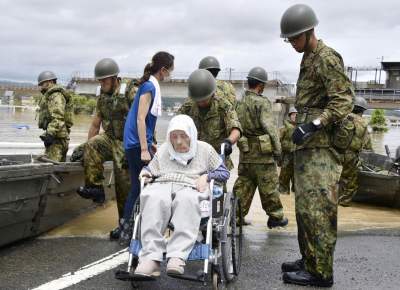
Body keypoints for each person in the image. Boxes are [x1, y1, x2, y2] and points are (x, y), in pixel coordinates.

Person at [279, 4, 354, 287]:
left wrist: (315, 124)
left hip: (321, 149)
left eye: (295, 38)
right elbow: (312, 98)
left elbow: (343, 101)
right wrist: (299, 115)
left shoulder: (326, 58)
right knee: (304, 209)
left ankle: (321, 273)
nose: (292, 44)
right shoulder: (307, 57)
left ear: (309, 31)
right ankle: (309, 259)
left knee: (319, 211)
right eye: (290, 40)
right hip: (307, 149)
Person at [134, 114, 230, 278]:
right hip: (163, 184)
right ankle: (151, 258)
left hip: (190, 186)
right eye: (174, 136)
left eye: (183, 136)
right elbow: (151, 169)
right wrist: (145, 173)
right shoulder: (164, 149)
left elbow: (224, 172)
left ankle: (177, 256)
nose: (178, 141)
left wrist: (207, 177)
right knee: (151, 197)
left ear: (192, 134)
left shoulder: (205, 149)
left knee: (187, 200)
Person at [121, 51, 175, 244]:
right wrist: (144, 148)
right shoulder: (149, 87)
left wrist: (150, 141)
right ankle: (128, 230)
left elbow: (146, 121)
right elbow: (140, 118)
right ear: (163, 70)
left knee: (142, 185)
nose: (170, 75)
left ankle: (130, 229)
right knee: (143, 185)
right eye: (170, 71)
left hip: (138, 141)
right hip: (136, 143)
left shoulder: (150, 85)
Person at [76, 58, 133, 240]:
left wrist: (145, 145)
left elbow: (143, 118)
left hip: (127, 140)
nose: (102, 84)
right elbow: (95, 125)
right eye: (99, 81)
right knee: (91, 144)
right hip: (110, 138)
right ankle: (95, 188)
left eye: (105, 80)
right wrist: (88, 152)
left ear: (115, 78)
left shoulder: (129, 92)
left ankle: (125, 226)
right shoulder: (102, 97)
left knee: (124, 186)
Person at [233, 67, 288, 229]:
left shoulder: (239, 103)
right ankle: (275, 218)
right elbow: (270, 129)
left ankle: (235, 217)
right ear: (261, 85)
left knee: (243, 186)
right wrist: (278, 152)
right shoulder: (262, 103)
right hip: (263, 156)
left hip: (246, 154)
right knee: (269, 186)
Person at [178, 69, 242, 172]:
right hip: (193, 161)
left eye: (204, 99)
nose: (200, 103)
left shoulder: (223, 106)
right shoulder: (188, 106)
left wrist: (228, 141)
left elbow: (236, 129)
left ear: (212, 94)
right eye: (198, 100)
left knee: (216, 187)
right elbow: (176, 124)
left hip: (217, 161)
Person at [338, 97, 372, 207]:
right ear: (362, 110)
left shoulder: (341, 117)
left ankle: (331, 199)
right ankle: (344, 201)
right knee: (351, 179)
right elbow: (367, 145)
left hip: (336, 152)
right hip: (351, 155)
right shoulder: (363, 123)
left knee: (336, 176)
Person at [37, 71, 73, 162]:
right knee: (56, 167)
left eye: (42, 83)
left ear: (50, 82)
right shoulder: (52, 95)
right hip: (58, 136)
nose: (41, 86)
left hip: (57, 139)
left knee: (52, 169)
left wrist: (50, 134)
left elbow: (58, 116)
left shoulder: (56, 95)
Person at [279, 107, 297, 195]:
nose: (295, 116)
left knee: (298, 181)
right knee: (283, 179)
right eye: (293, 115)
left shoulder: (302, 128)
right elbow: (278, 141)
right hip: (287, 156)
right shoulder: (283, 128)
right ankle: (284, 199)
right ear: (290, 116)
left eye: (297, 115)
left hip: (299, 157)